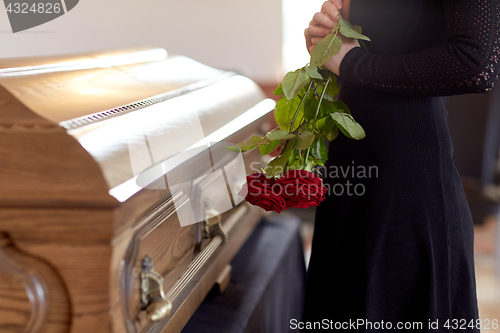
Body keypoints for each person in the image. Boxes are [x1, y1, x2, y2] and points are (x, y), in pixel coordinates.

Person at [302, 0, 500, 331]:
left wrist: (352, 62)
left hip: (407, 178)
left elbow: (475, 63)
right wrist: (327, 39)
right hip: (348, 172)